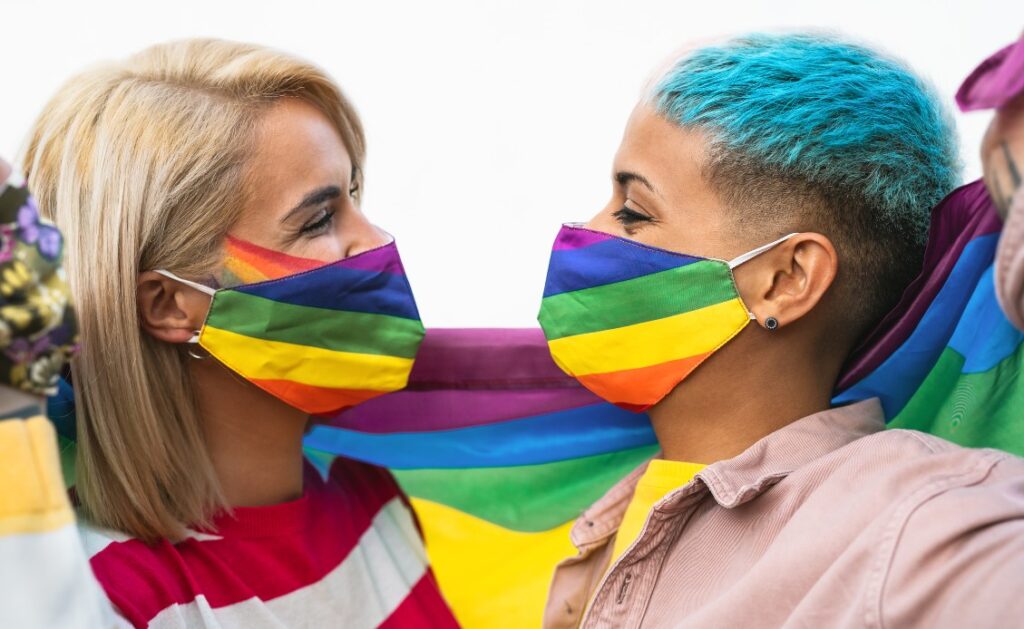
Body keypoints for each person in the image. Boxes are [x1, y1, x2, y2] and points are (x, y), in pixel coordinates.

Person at [537, 32, 1024, 627]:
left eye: (633, 212)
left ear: (785, 280)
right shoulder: (597, 495)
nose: (588, 231)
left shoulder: (913, 526)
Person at [21, 39, 456, 627]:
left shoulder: (368, 494)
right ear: (170, 305)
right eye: (319, 220)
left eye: (354, 193)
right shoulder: (108, 598)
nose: (377, 240)